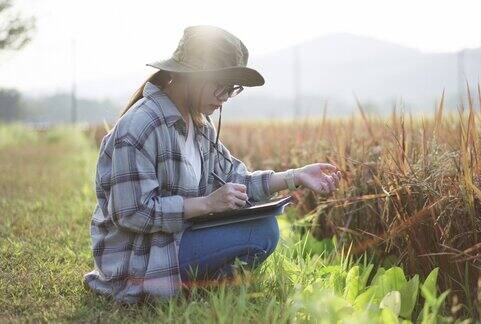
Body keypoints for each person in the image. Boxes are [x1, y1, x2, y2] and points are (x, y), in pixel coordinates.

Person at [83, 25, 342, 304]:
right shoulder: (140, 126)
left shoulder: (199, 126)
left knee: (264, 225)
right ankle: (181, 289)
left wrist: (297, 176)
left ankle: (200, 289)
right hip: (143, 257)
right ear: (193, 76)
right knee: (262, 231)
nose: (226, 96)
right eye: (223, 85)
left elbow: (236, 178)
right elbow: (131, 213)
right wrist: (207, 204)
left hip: (177, 239)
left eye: (233, 88)